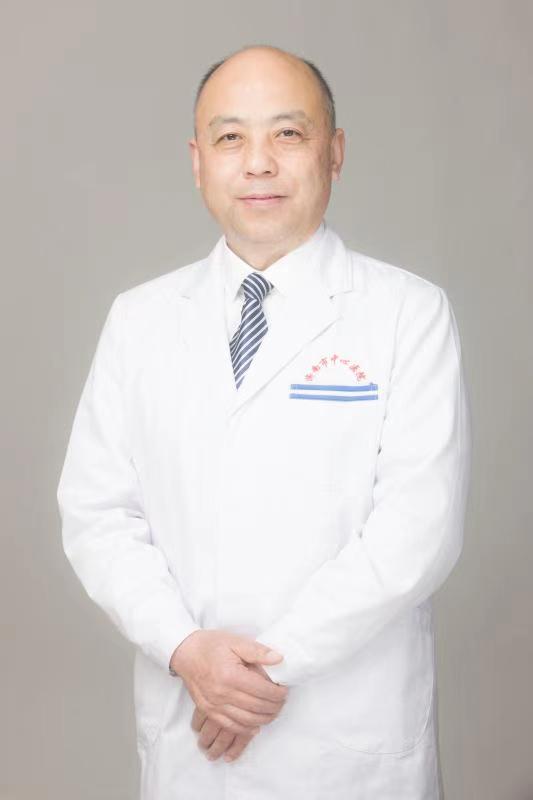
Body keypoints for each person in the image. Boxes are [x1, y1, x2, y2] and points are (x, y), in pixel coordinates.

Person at [56, 43, 472, 800]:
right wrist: (187, 650)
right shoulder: (139, 320)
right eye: (229, 137)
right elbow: (97, 514)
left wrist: (263, 673)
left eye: (287, 133)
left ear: (334, 152)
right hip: (191, 726)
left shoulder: (406, 313)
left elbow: (419, 527)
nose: (258, 163)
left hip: (346, 736)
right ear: (197, 162)